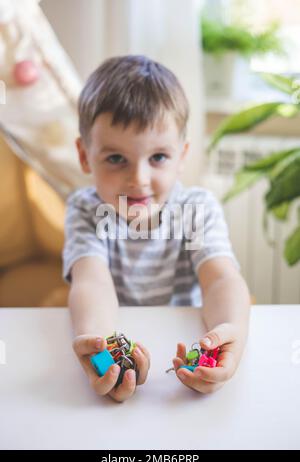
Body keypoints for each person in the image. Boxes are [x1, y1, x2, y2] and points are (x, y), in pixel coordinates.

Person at [63, 55, 250, 403]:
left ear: (182, 156)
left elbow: (222, 279)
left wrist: (232, 332)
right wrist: (100, 343)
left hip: (182, 350)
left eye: (158, 157)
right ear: (85, 155)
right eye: (116, 158)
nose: (139, 179)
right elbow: (91, 281)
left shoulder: (197, 208)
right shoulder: (86, 210)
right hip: (123, 340)